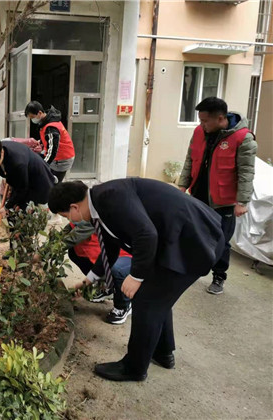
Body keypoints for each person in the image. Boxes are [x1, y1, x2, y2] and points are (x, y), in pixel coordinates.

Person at [48, 179, 224, 381]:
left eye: (65, 216)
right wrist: (90, 279)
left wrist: (136, 276)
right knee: (159, 298)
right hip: (179, 240)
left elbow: (146, 235)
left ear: (74, 207)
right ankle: (162, 353)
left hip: (195, 240)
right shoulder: (98, 204)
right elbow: (110, 246)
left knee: (147, 301)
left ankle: (134, 368)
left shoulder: (110, 198)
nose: (68, 220)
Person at [178, 97, 257, 295]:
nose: (201, 125)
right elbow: (191, 159)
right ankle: (191, 268)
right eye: (200, 120)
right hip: (199, 194)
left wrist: (242, 202)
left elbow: (246, 171)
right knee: (194, 233)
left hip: (224, 201)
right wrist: (183, 185)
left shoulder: (242, 138)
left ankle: (219, 276)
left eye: (205, 121)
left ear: (220, 118)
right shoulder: (199, 132)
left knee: (221, 240)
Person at [63, 222, 132, 324]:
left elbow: (69, 240)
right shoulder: (78, 218)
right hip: (105, 252)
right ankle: (106, 287)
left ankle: (123, 306)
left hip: (127, 255)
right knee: (74, 252)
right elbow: (63, 234)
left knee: (115, 269)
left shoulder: (89, 220)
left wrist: (40, 255)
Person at [0, 136, 55, 218]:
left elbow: (22, 189)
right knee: (14, 210)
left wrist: (7, 207)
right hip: (25, 179)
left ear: (1, 152)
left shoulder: (17, 164)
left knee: (26, 215)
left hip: (39, 184)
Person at [25, 101, 75, 182]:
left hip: (61, 159)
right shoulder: (48, 120)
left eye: (32, 117)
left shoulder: (51, 127)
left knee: (53, 184)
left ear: (40, 113)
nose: (32, 120)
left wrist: (43, 165)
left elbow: (52, 151)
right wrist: (40, 142)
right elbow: (48, 138)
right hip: (59, 156)